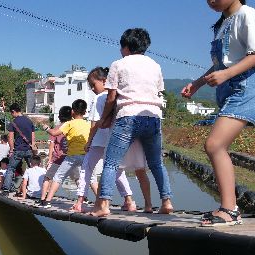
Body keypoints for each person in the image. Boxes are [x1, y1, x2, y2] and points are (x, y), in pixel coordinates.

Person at [182, 0, 254, 227]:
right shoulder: (221, 24)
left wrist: (227, 74)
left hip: (245, 89)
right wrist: (198, 83)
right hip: (228, 89)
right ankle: (229, 208)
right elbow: (219, 64)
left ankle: (230, 210)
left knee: (214, 145)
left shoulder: (247, 15)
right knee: (216, 145)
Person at [89, 28, 174, 217]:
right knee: (156, 163)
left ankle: (103, 205)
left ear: (125, 46)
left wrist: (103, 119)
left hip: (128, 115)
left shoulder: (118, 64)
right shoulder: (155, 65)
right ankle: (166, 202)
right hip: (153, 116)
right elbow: (158, 92)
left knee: (111, 163)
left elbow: (111, 97)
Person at [71, 67, 147, 213]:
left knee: (86, 169)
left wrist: (88, 141)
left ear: (104, 81)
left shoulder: (99, 98)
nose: (93, 89)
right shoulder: (117, 97)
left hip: (98, 139)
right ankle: (129, 201)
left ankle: (79, 202)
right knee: (117, 171)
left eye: (93, 85)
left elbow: (94, 123)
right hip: (113, 139)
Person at [39, 99, 91, 208]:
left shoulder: (65, 126)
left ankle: (44, 199)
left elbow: (52, 143)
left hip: (62, 159)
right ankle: (85, 199)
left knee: (50, 178)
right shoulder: (86, 124)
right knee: (80, 178)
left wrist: (49, 160)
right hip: (81, 156)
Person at [35, 106, 72, 205]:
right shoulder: (72, 127)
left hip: (57, 159)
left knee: (48, 177)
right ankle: (83, 199)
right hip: (71, 158)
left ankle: (43, 199)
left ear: (59, 116)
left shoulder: (56, 129)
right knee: (78, 178)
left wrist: (49, 159)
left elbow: (51, 145)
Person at [1, 103, 35, 196]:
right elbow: (33, 137)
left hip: (18, 150)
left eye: (11, 114)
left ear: (13, 111)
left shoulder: (14, 122)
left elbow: (10, 138)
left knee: (11, 169)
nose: (12, 116)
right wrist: (33, 149)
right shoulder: (29, 121)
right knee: (33, 169)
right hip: (29, 149)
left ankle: (6, 190)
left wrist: (11, 150)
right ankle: (36, 189)